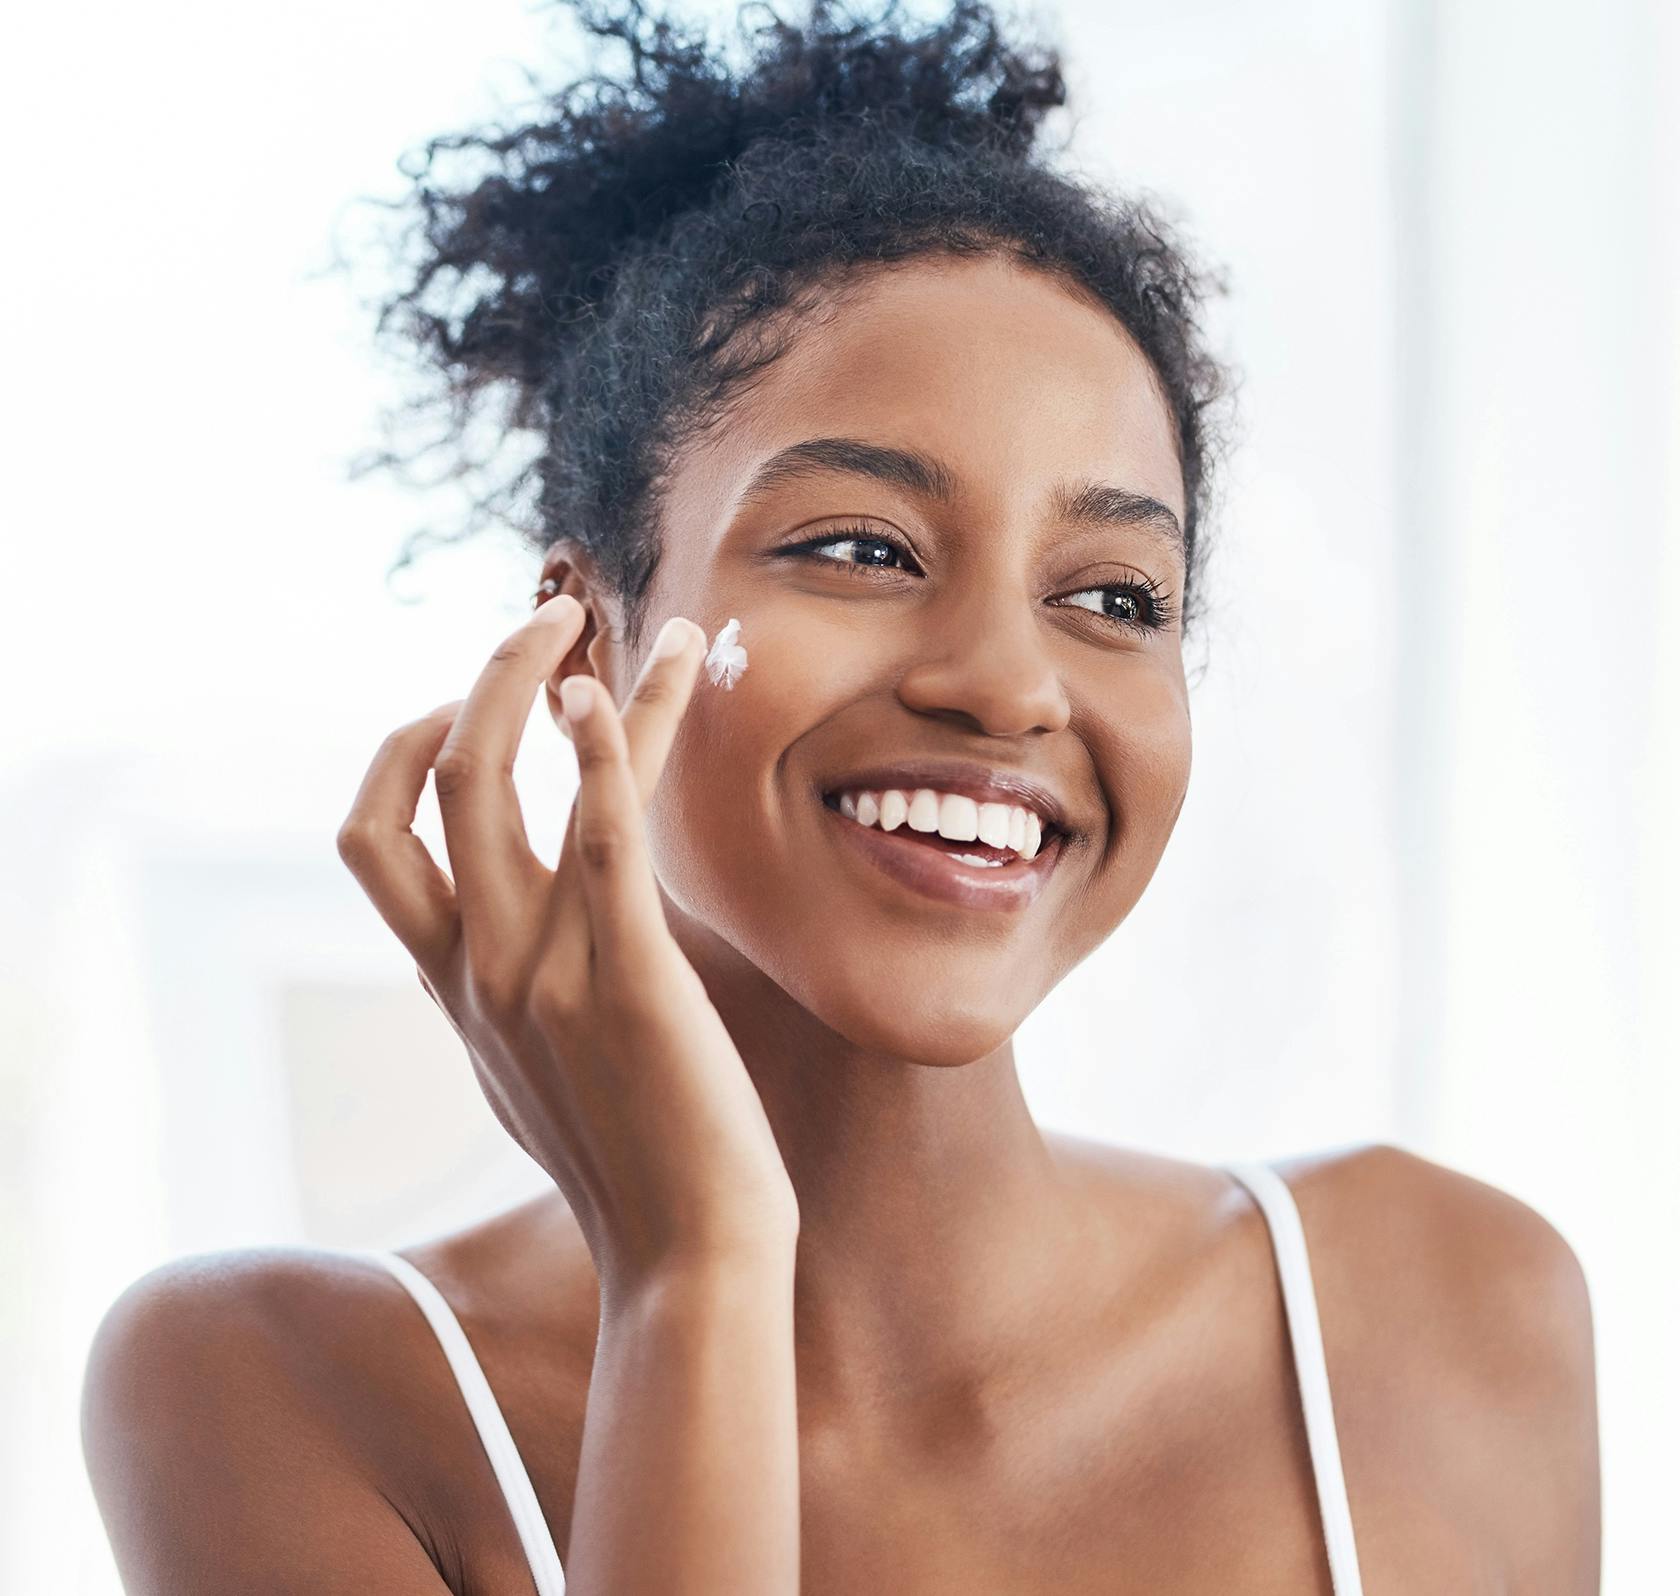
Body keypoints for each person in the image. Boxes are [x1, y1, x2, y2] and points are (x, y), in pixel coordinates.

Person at [80, 2, 1601, 1591]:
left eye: (1115, 596)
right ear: (584, 634)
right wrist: (697, 1274)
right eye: (864, 549)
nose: (1009, 685)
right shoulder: (279, 1388)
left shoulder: (1447, 1310)